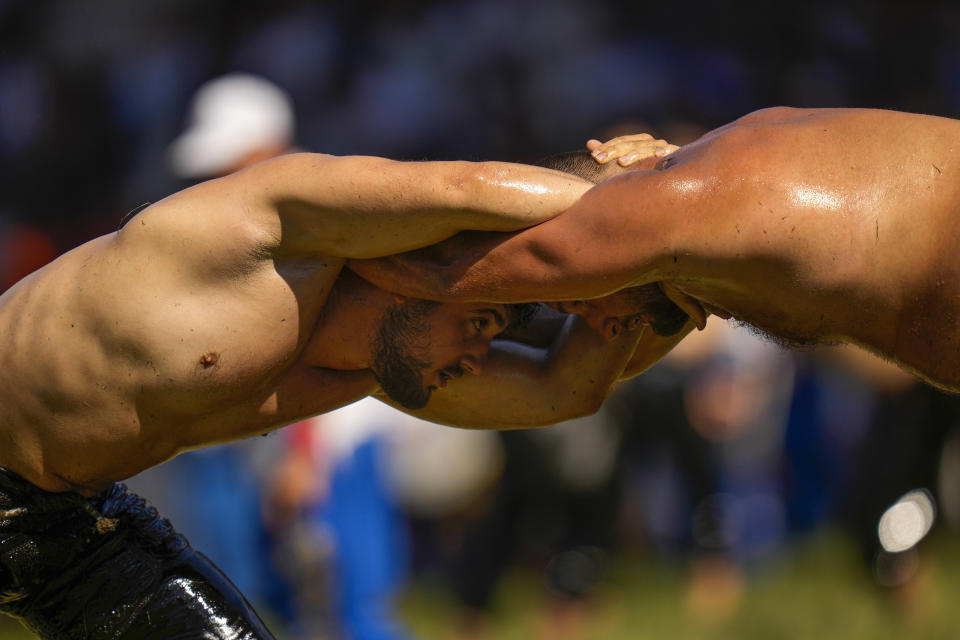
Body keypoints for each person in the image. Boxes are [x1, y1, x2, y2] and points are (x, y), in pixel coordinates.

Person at [0, 139, 682, 638]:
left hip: (67, 529)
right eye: (479, 323)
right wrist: (667, 210)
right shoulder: (267, 227)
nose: (480, 357)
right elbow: (466, 187)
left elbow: (564, 390)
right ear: (422, 273)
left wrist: (676, 288)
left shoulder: (366, 369)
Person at [351, 107, 960, 394]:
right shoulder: (701, 202)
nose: (593, 324)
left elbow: (448, 269)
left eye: (573, 302)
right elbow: (583, 380)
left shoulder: (669, 205)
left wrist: (336, 255)